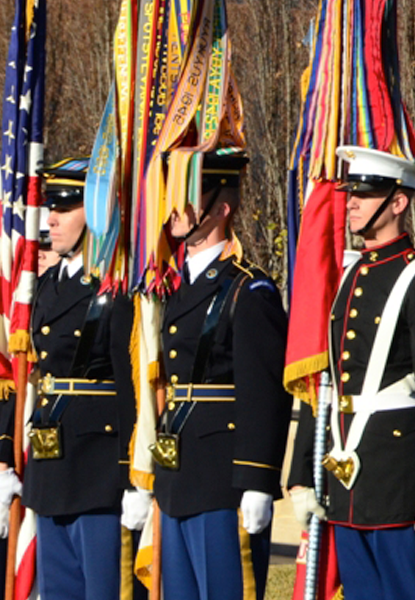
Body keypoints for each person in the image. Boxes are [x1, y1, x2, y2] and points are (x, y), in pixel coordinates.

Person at [288, 146, 415, 600]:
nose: (352, 203)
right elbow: (325, 382)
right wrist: (302, 470)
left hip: (398, 486)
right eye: (350, 193)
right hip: (347, 482)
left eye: (365, 193)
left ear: (397, 202)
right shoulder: (348, 274)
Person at [148, 152, 289, 600]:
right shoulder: (172, 287)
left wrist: (257, 482)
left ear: (220, 209)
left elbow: (263, 394)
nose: (173, 209)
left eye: (186, 199)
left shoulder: (248, 290)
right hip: (178, 478)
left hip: (223, 480)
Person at [14, 159, 138, 600]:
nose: (51, 218)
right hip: (51, 465)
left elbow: (131, 388)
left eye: (65, 208)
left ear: (97, 213)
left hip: (98, 466)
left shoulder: (116, 286)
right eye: (51, 207)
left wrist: (132, 474)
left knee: (101, 589)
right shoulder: (48, 284)